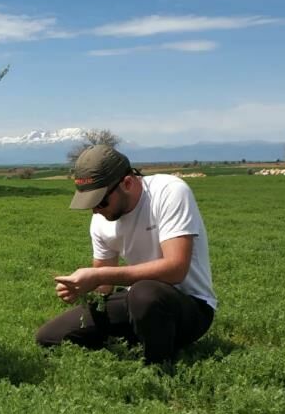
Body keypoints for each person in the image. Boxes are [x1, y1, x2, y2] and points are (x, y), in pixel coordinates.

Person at [36, 144, 216, 364]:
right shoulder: (101, 220)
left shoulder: (169, 192)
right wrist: (83, 288)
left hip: (189, 307)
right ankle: (137, 340)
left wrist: (99, 276)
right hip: (135, 302)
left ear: (127, 183)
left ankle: (159, 369)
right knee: (49, 337)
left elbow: (175, 269)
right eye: (90, 204)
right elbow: (104, 285)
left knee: (144, 293)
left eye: (100, 201)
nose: (95, 210)